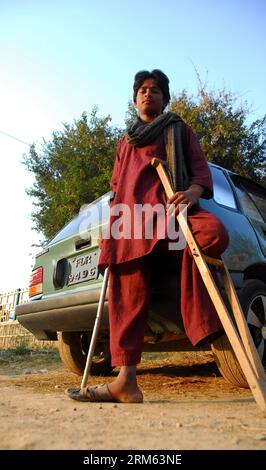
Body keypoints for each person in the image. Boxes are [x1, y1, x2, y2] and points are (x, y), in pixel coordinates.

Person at [71, 69, 229, 403]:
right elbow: (116, 189)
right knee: (126, 289)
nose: (147, 94)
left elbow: (200, 172)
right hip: (133, 224)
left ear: (165, 98)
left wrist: (192, 193)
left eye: (155, 90)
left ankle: (201, 320)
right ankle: (126, 381)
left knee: (213, 233)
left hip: (172, 215)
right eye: (142, 90)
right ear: (135, 98)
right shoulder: (125, 141)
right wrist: (111, 230)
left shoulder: (179, 130)